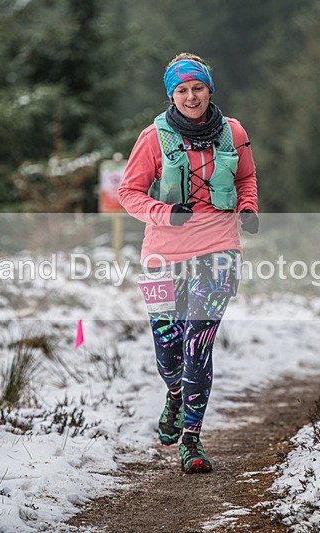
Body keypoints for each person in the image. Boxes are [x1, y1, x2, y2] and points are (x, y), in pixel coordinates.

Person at [117, 52, 258, 474]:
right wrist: (163, 213)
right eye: (182, 89)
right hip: (162, 254)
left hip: (218, 249)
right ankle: (175, 395)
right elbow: (129, 192)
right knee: (169, 353)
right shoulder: (152, 137)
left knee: (198, 341)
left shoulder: (233, 132)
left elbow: (246, 177)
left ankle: (191, 440)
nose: (191, 96)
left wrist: (248, 208)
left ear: (209, 89)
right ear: (171, 95)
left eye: (198, 87)